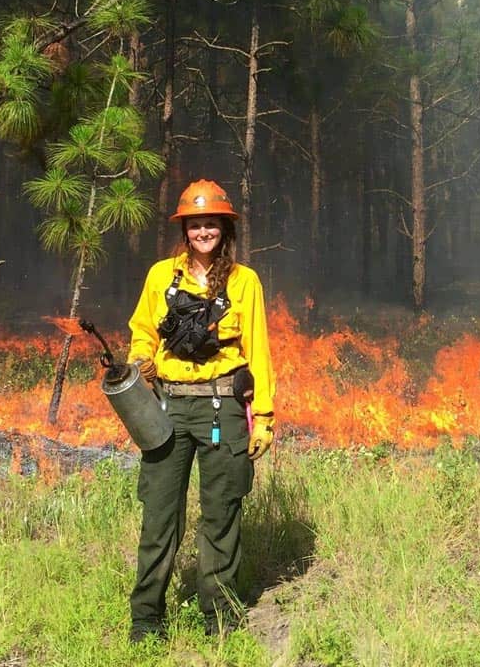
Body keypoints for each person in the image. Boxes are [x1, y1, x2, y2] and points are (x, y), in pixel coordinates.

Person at [125, 178, 276, 642]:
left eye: (211, 223)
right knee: (159, 516)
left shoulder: (244, 281)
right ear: (184, 229)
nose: (203, 231)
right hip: (167, 409)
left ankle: (220, 619)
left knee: (221, 513)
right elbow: (142, 330)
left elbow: (259, 349)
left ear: (224, 229)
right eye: (195, 224)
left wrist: (264, 417)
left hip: (223, 409)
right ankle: (147, 620)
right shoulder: (159, 276)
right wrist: (140, 360)